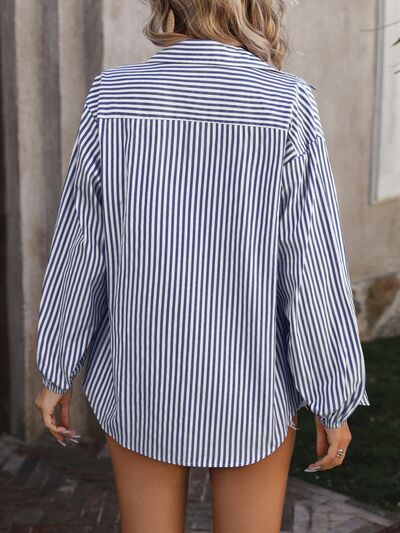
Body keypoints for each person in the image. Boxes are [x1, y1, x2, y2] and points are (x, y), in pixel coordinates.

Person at [34, 1, 371, 531]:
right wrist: (332, 395)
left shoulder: (112, 97)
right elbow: (311, 265)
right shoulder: (286, 103)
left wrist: (57, 366)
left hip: (142, 378)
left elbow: (80, 249)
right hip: (250, 387)